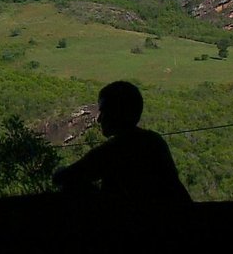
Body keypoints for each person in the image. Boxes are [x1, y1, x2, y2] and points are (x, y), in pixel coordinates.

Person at [52, 80, 191, 203]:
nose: (99, 119)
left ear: (116, 113)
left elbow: (63, 177)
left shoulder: (115, 150)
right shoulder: (154, 141)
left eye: (104, 111)